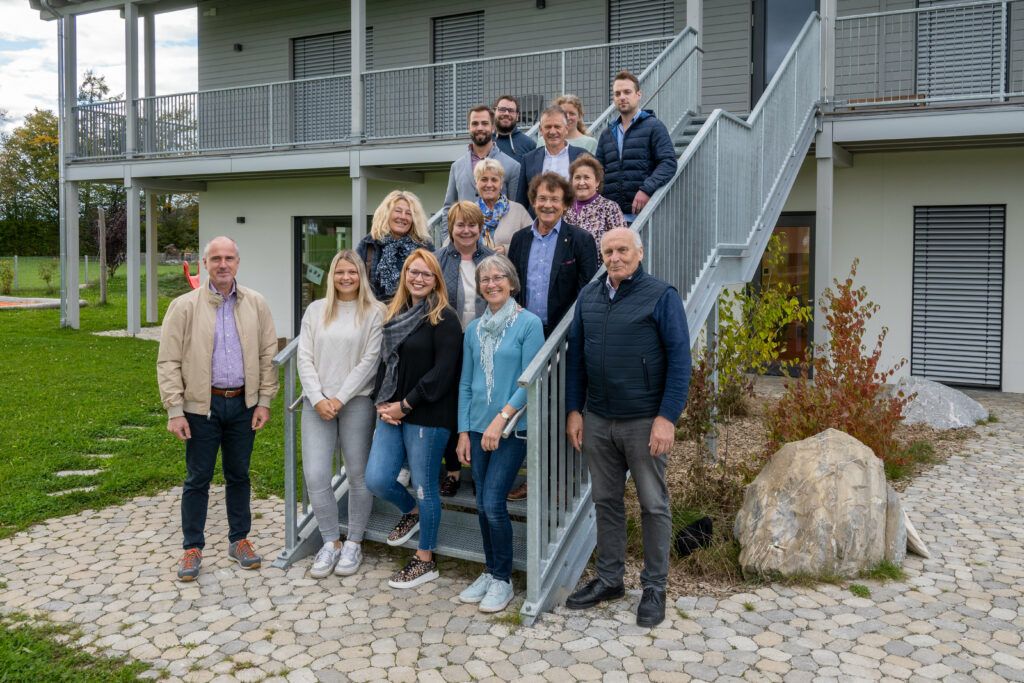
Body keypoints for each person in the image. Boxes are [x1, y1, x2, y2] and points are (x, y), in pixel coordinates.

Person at [563, 228, 691, 628]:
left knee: (653, 504)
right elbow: (576, 359)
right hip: (599, 419)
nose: (614, 257)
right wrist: (574, 410)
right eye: (608, 251)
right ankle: (610, 580)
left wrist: (667, 417)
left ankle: (654, 587)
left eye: (622, 250)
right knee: (606, 501)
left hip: (644, 421)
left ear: (639, 253)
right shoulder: (589, 296)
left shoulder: (661, 295)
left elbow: (680, 361)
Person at [157, 236, 278, 582]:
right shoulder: (184, 306)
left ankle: (239, 540)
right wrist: (174, 409)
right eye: (216, 259)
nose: (223, 264)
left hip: (243, 404)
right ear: (205, 264)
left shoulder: (256, 303)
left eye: (229, 258)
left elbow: (268, 355)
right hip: (200, 407)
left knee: (239, 474)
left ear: (238, 262)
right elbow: (168, 360)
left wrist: (264, 401)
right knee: (198, 478)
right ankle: (192, 547)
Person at [365, 249, 463, 589]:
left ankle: (425, 559)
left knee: (424, 486)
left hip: (428, 415)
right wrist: (382, 404)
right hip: (392, 412)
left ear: (436, 279)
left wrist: (406, 405)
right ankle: (413, 512)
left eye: (426, 274)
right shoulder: (396, 313)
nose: (418, 278)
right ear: (405, 275)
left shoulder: (444, 318)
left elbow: (443, 372)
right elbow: (385, 362)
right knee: (377, 479)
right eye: (413, 272)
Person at [455, 254, 544, 613]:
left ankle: (504, 579)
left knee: (493, 502)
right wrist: (463, 431)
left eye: (498, 277)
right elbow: (465, 383)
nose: (492, 284)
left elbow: (528, 381)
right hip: (477, 427)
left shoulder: (529, 324)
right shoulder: (474, 329)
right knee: (481, 503)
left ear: (511, 282)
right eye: (485, 279)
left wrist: (501, 419)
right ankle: (490, 571)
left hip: (512, 429)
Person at [297, 250, 385, 579]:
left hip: (356, 401)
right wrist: (318, 397)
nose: (346, 278)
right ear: (331, 275)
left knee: (358, 475)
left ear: (361, 276)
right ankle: (331, 541)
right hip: (316, 403)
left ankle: (354, 542)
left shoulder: (375, 312)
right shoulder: (316, 310)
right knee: (316, 474)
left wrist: (340, 398)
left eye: (352, 272)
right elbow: (304, 356)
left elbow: (370, 361)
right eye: (339, 272)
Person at [435, 201, 494, 497]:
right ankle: (454, 471)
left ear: (480, 228)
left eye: (472, 225)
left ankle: (482, 472)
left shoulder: (493, 260)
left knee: (482, 404)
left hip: (485, 343)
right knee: (451, 407)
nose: (466, 230)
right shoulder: (438, 260)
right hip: (449, 343)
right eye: (460, 224)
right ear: (451, 228)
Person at [508, 172, 598, 338]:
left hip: (565, 333)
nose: (547, 205)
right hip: (523, 331)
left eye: (555, 199)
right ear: (534, 202)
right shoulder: (519, 239)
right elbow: (511, 284)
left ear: (565, 204)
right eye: (542, 198)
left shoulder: (582, 240)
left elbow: (588, 290)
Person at [595, 70, 678, 223]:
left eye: (627, 92)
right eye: (617, 93)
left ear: (638, 95)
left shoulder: (654, 127)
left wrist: (646, 189)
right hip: (611, 218)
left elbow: (668, 163)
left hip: (641, 216)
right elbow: (597, 171)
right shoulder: (607, 133)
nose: (622, 97)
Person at [442, 105, 521, 225]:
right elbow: (449, 208)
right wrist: (448, 235)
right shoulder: (456, 167)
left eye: (484, 123)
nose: (479, 128)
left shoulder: (513, 166)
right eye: (475, 124)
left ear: (493, 127)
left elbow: (515, 211)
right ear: (469, 128)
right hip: (465, 235)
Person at [357, 190, 433, 302]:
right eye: (398, 211)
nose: (403, 217)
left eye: (409, 213)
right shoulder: (368, 244)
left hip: (413, 311)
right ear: (386, 214)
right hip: (376, 311)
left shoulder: (425, 248)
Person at [516, 106, 587, 212]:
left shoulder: (582, 156)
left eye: (557, 127)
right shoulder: (528, 159)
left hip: (575, 219)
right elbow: (521, 202)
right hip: (538, 220)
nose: (552, 131)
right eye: (548, 127)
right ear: (541, 130)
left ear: (566, 129)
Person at [564, 154, 627, 252]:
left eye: (586, 177)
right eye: (577, 178)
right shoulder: (565, 208)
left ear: (597, 181)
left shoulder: (610, 208)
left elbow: (622, 243)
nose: (581, 182)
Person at [473, 158, 532, 255]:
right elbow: (455, 242)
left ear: (501, 184)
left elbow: (532, 241)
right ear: (476, 183)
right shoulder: (469, 212)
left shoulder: (518, 211)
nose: (489, 184)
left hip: (509, 264)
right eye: (484, 179)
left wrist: (507, 249)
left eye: (494, 180)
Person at [492, 94, 537, 163]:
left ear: (517, 116)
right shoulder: (485, 141)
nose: (506, 113)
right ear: (494, 112)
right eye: (502, 109)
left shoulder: (529, 145)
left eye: (511, 110)